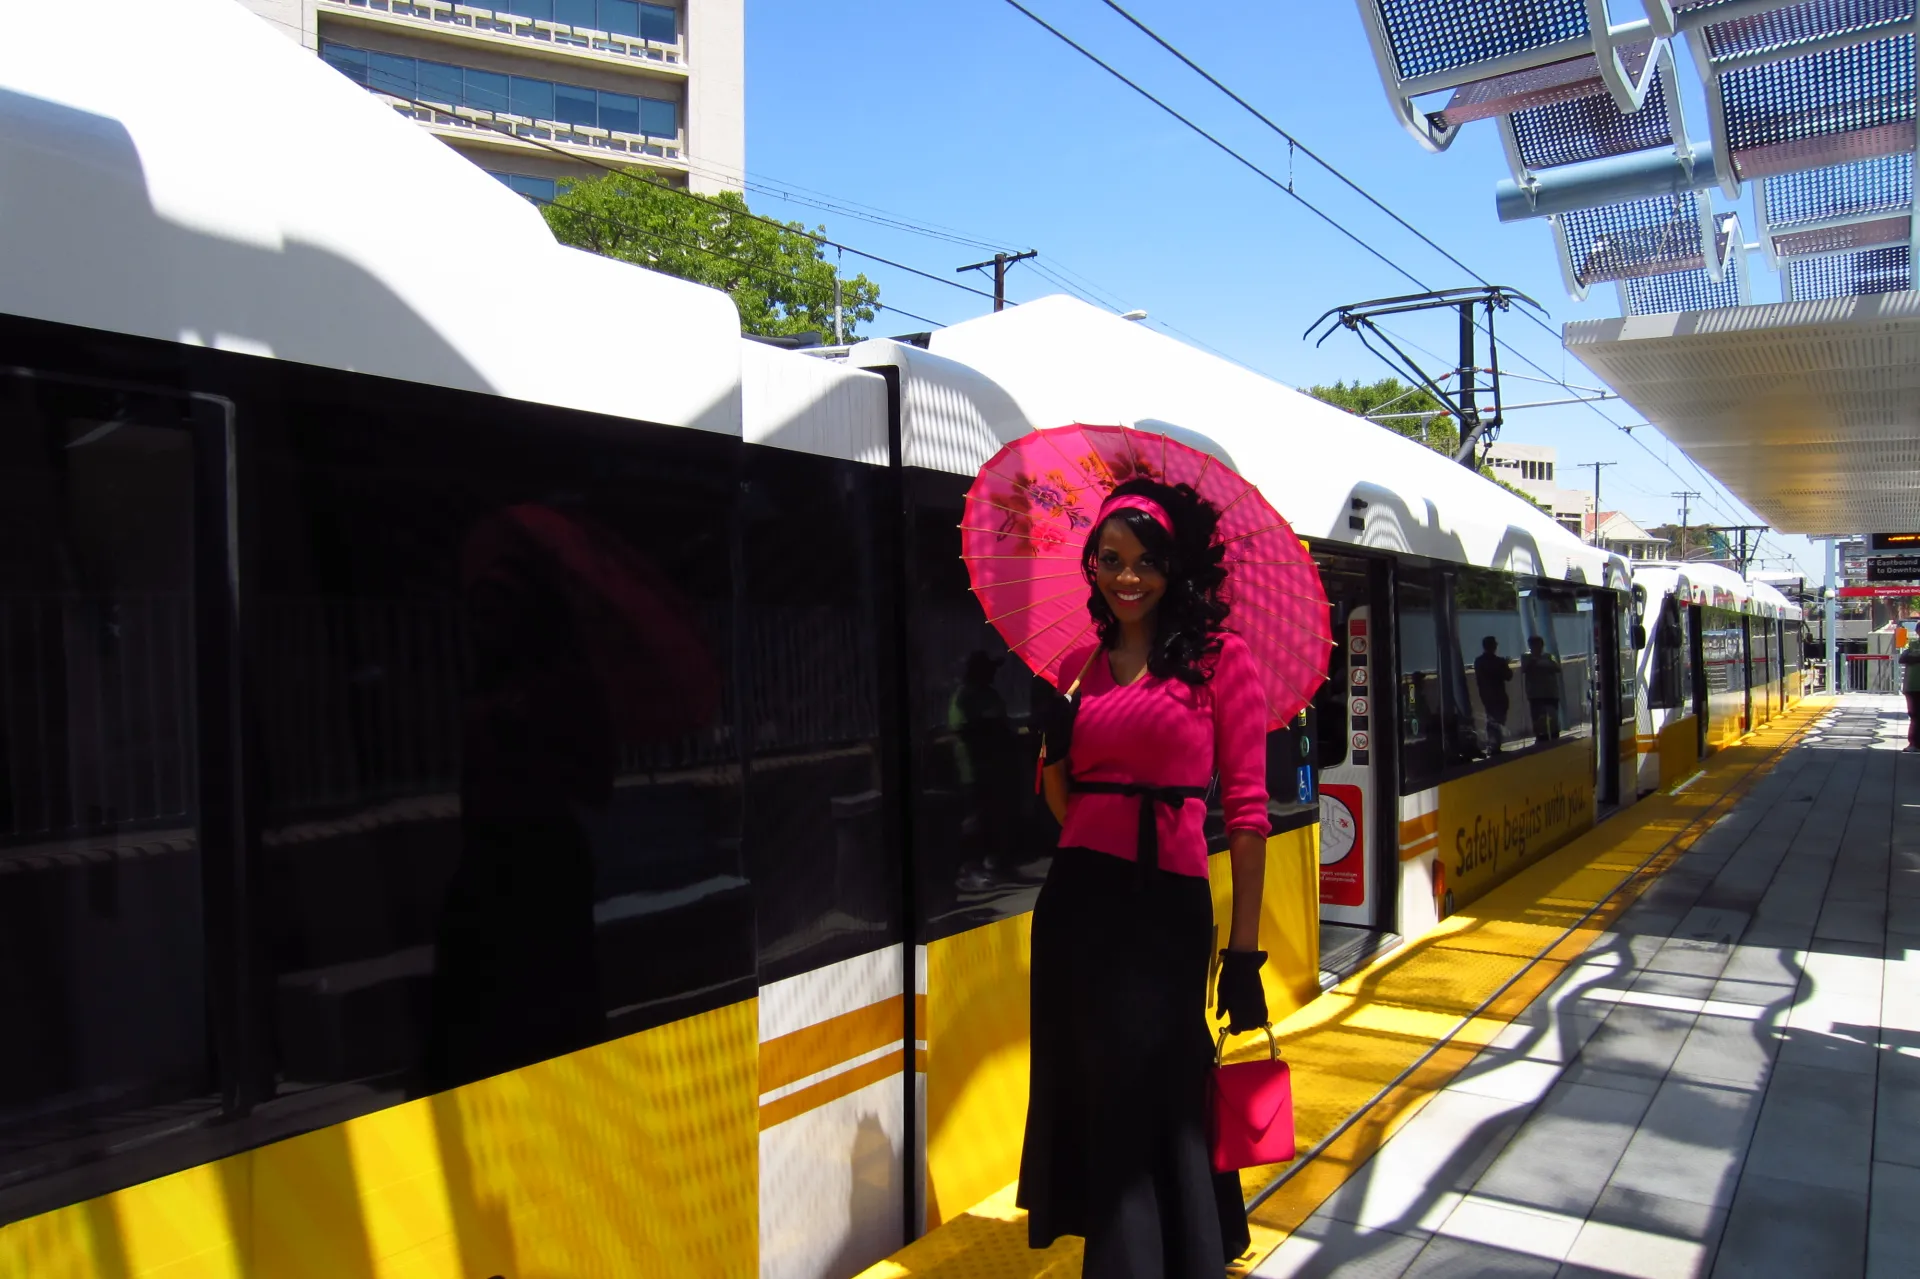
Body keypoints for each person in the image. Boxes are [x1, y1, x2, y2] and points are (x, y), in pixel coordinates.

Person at [1019, 478, 1270, 1278]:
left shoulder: (1219, 660)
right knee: (1098, 1085)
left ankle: (1176, 1254)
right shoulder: (1076, 665)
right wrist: (1055, 743)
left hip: (1165, 908)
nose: (1128, 577)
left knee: (1157, 1084)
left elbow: (1250, 813)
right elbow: (1065, 809)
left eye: (1146, 561)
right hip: (1078, 907)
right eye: (1111, 559)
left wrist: (1244, 954)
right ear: (1091, 564)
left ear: (1174, 567)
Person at [1473, 636, 1513, 751]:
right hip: (1499, 696)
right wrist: (1505, 664)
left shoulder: (1479, 661)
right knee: (1498, 721)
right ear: (1494, 646)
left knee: (1492, 721)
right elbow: (1508, 676)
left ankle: (1493, 744)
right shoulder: (1498, 661)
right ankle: (1495, 745)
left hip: (1486, 696)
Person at [1521, 634, 1563, 741]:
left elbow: (1557, 668)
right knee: (1538, 718)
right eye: (1533, 645)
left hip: (1550, 692)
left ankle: (1554, 735)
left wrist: (1542, 663)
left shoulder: (1549, 656)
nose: (1536, 648)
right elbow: (1524, 669)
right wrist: (1535, 661)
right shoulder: (1526, 657)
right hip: (1535, 693)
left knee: (1552, 716)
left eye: (1538, 645)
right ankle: (1541, 736)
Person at [1902, 634, 1920, 751]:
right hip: (1912, 686)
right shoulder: (1913, 644)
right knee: (1915, 715)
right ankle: (1914, 744)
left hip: (1912, 686)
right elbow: (1902, 658)